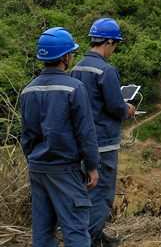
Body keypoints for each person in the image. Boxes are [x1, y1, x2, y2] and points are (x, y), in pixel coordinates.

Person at [21, 27, 100, 247]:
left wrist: (35, 160)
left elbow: (26, 136)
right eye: (72, 53)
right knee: (75, 230)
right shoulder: (74, 88)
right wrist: (92, 166)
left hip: (37, 169)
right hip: (65, 169)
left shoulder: (28, 91)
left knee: (43, 231)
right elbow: (85, 132)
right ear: (65, 57)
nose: (73, 56)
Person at [70, 18, 135, 247]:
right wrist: (127, 109)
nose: (114, 49)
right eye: (115, 44)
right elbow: (115, 106)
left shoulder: (77, 67)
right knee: (102, 194)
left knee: (86, 191)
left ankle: (94, 235)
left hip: (81, 142)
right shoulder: (106, 70)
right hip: (104, 143)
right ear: (108, 42)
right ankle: (90, 240)